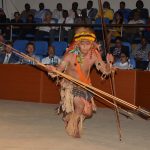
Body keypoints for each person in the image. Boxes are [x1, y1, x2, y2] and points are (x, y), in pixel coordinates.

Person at [47, 27, 114, 138]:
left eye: (88, 44)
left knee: (88, 112)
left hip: (85, 86)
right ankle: (74, 128)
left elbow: (105, 71)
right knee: (80, 106)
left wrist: (109, 62)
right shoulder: (70, 55)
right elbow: (58, 70)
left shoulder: (95, 55)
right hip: (70, 85)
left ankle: (69, 118)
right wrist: (52, 71)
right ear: (78, 44)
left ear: (92, 44)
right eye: (82, 44)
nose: (85, 47)